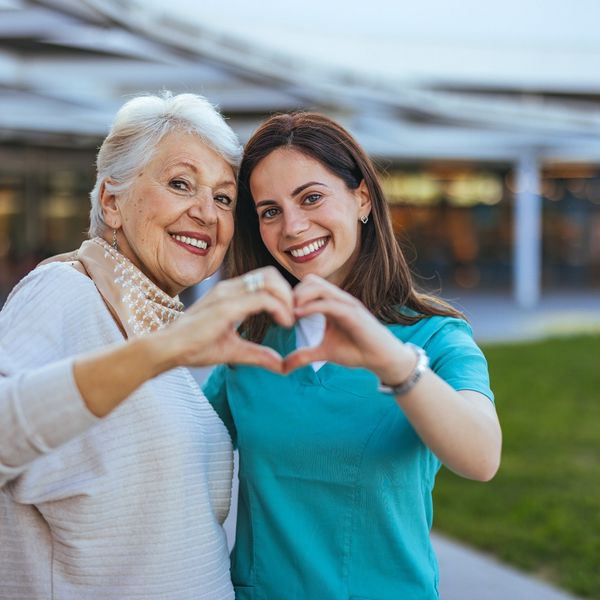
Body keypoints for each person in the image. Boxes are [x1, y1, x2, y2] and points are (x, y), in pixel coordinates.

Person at [0, 92, 296, 599]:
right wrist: (166, 350)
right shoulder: (66, 289)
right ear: (112, 202)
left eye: (224, 198)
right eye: (181, 184)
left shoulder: (152, 327)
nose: (206, 212)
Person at [203, 112, 502, 599]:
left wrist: (392, 361)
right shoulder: (250, 341)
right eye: (270, 211)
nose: (294, 227)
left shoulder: (435, 337)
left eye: (311, 197)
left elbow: (482, 456)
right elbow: (174, 448)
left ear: (361, 197)